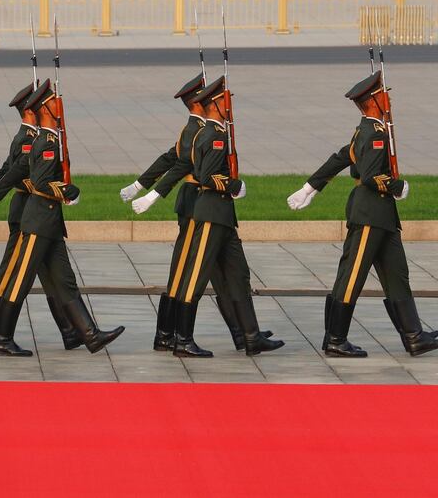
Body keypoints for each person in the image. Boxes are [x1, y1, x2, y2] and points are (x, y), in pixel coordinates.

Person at [286, 71, 438, 357]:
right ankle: (335, 338)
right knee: (352, 275)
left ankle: (414, 336)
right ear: (373, 101)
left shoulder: (368, 130)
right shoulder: (373, 134)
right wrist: (397, 186)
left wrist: (310, 188)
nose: (388, 98)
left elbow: (340, 158)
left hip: (383, 218)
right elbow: (370, 176)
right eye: (384, 94)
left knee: (397, 275)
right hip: (370, 213)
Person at [0, 79, 124, 356]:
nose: (59, 102)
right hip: (37, 220)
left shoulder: (50, 139)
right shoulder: (44, 142)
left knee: (65, 281)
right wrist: (66, 190)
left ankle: (89, 335)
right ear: (45, 108)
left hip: (50, 223)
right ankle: (1, 338)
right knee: (20, 279)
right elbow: (41, 182)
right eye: (54, 99)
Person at [126, 73, 271, 354]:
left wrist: (141, 184)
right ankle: (171, 335)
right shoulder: (199, 130)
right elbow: (179, 164)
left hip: (211, 205)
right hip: (198, 204)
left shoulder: (204, 129)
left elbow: (170, 158)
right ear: (197, 102)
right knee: (188, 272)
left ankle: (244, 332)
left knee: (226, 273)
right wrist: (151, 193)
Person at [0, 83, 81, 351]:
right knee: (12, 275)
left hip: (37, 215)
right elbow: (17, 175)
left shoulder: (29, 136)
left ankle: (71, 330)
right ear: (31, 109)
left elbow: (4, 172)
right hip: (30, 212)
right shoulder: (30, 139)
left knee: (52, 276)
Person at [170, 76, 284, 357]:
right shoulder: (215, 136)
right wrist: (233, 185)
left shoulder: (209, 133)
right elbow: (205, 176)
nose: (228, 104)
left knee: (238, 275)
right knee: (196, 278)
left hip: (222, 217)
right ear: (214, 105)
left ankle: (250, 335)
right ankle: (183, 340)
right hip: (210, 214)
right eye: (224, 100)